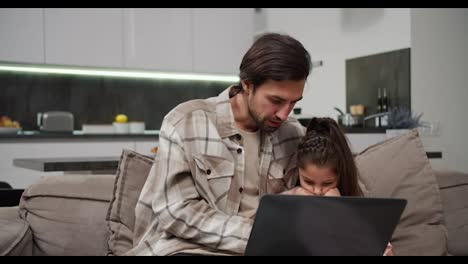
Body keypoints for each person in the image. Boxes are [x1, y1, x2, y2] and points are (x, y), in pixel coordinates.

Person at [127, 32, 312, 256]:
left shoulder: (293, 133)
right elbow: (176, 212)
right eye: (276, 101)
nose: (284, 114)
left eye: (293, 103)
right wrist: (260, 235)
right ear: (247, 85)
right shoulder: (186, 122)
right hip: (189, 248)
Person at [282, 117, 394, 256]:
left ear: (340, 177)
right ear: (298, 172)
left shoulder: (356, 209)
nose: (317, 191)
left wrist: (337, 209)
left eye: (327, 183)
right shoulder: (286, 201)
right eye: (309, 182)